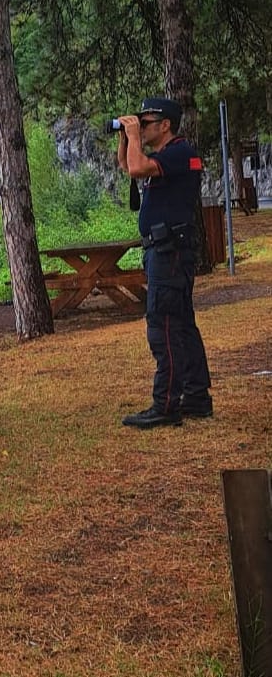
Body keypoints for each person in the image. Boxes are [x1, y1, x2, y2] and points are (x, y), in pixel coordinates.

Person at [116, 96, 213, 428]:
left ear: (165, 124)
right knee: (182, 324)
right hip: (167, 250)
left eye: (146, 123)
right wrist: (125, 138)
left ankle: (167, 404)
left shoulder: (179, 153)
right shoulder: (167, 156)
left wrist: (132, 138)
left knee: (164, 325)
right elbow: (128, 166)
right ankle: (197, 397)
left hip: (170, 252)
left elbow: (137, 167)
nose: (141, 128)